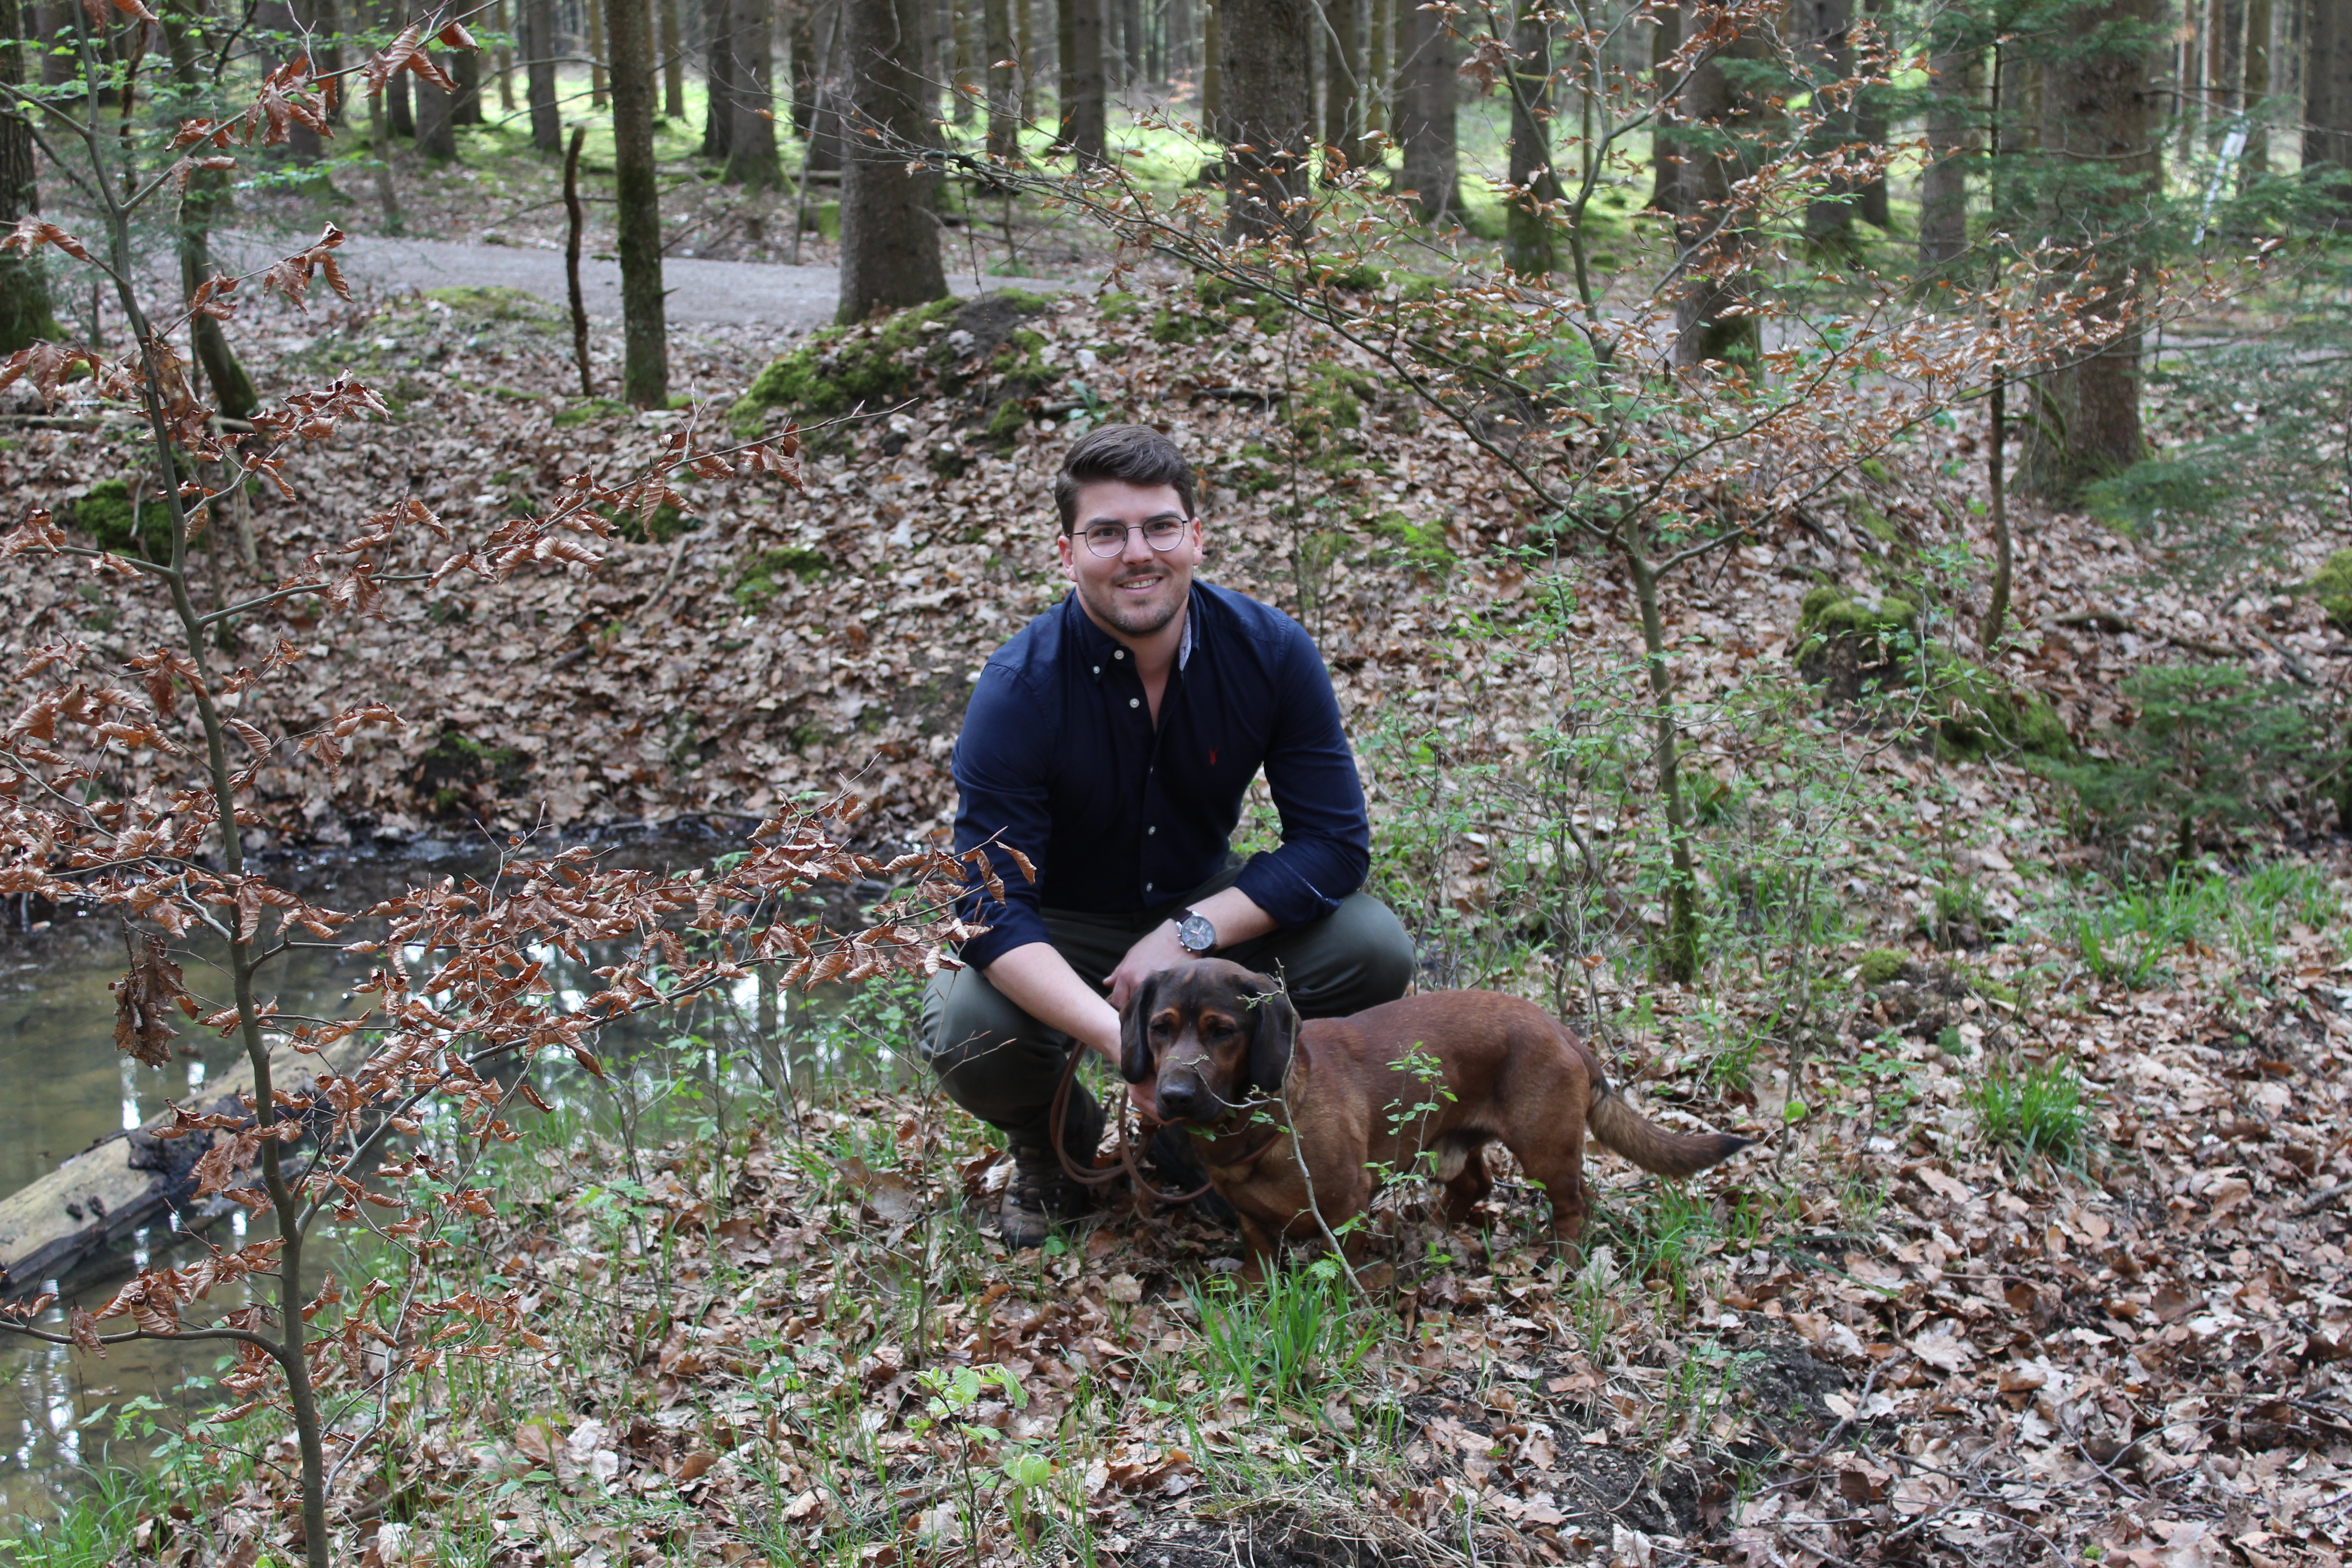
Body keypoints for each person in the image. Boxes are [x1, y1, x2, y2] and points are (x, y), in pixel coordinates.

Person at [921, 423, 1418, 1247]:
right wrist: (1126, 1049)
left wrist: (1190, 934)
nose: (1137, 553)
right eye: (1107, 533)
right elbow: (988, 904)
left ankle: (1219, 1129)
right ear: (1067, 551)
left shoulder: (1270, 652)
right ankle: (1055, 1148)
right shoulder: (1019, 687)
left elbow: (1334, 843)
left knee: (1373, 945)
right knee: (969, 1030)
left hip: (1196, 906)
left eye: (1159, 526)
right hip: (1059, 924)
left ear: (1196, 536)